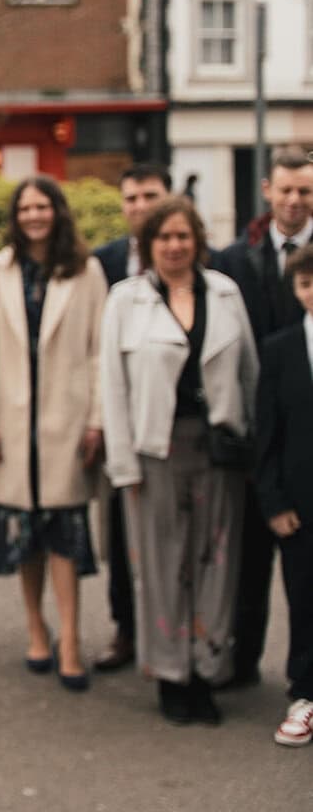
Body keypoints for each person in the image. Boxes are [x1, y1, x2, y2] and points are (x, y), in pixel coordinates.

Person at [100, 197, 256, 725]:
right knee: (162, 565)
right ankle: (170, 674)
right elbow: (113, 389)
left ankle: (205, 671)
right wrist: (123, 464)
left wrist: (253, 445)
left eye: (182, 236)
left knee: (216, 562)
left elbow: (248, 374)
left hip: (218, 451)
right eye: (163, 238)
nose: (174, 246)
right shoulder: (126, 300)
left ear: (198, 241)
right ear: (148, 246)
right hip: (154, 451)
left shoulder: (226, 294)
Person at [0, 177, 108, 692]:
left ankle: (71, 638)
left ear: (58, 211)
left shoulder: (87, 271)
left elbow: (98, 350)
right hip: (9, 419)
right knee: (25, 535)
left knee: (65, 534)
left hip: (66, 420)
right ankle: (36, 627)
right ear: (16, 215)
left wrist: (97, 418)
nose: (34, 215)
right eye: (25, 207)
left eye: (43, 206)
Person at [213, 146, 313, 690]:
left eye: (306, 191)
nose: (295, 200)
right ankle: (241, 661)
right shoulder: (233, 259)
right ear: (267, 191)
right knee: (247, 564)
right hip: (248, 433)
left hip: (305, 436)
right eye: (287, 190)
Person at [89, 161, 172, 672]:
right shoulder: (106, 261)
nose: (140, 206)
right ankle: (126, 628)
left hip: (171, 413)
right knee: (122, 534)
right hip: (121, 411)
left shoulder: (194, 255)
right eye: (132, 198)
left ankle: (175, 633)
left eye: (150, 196)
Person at [256, 243, 313, 747]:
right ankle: (304, 692)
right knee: (303, 598)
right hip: (300, 505)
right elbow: (266, 435)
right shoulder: (280, 349)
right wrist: (274, 501)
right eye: (307, 283)